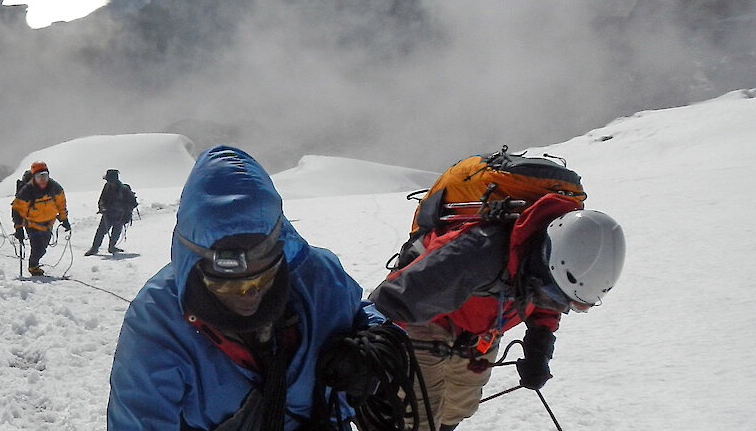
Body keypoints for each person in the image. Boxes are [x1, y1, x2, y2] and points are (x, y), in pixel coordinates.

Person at [108, 146, 386, 431]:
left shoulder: (317, 277)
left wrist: (378, 339)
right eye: (227, 283)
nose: (249, 295)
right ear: (195, 264)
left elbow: (359, 313)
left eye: (262, 279)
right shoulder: (157, 319)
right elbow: (139, 420)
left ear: (281, 253)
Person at [368, 194, 626, 431]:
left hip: (482, 329)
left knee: (459, 407)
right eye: (555, 295)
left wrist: (540, 345)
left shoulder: (547, 271)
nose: (555, 304)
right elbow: (391, 300)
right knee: (419, 417)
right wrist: (368, 354)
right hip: (424, 317)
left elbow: (548, 300)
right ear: (543, 260)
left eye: (567, 303)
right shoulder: (476, 253)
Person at [11, 161, 70, 276]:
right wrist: (19, 228)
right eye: (39, 176)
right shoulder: (27, 191)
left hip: (48, 223)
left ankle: (34, 263)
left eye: (45, 175)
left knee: (43, 247)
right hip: (32, 224)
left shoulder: (55, 188)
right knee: (37, 247)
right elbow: (17, 210)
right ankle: (33, 267)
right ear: (34, 178)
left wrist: (64, 219)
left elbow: (61, 204)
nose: (42, 179)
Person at [85, 169, 138, 256]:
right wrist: (102, 208)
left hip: (120, 215)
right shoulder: (107, 186)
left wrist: (123, 209)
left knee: (116, 231)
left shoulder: (124, 189)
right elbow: (102, 199)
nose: (108, 182)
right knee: (101, 231)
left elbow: (133, 203)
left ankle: (112, 247)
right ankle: (94, 248)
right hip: (108, 213)